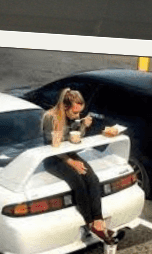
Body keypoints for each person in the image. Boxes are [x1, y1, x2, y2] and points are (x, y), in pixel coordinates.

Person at [41, 88, 115, 243]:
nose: (77, 116)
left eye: (80, 112)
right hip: (53, 158)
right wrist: (71, 162)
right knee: (78, 182)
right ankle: (89, 222)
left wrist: (83, 126)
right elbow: (51, 147)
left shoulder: (73, 118)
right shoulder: (50, 118)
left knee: (92, 178)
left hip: (69, 153)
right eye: (75, 113)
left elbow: (75, 139)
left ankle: (98, 221)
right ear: (65, 107)